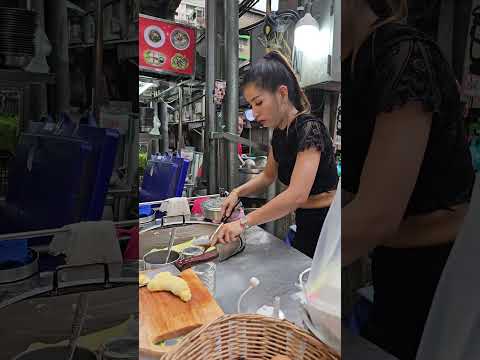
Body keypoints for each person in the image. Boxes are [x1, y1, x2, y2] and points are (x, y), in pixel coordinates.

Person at [341, 1, 475, 359]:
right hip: (394, 272)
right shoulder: (355, 66)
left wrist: (307, 270)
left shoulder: (403, 54)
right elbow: (354, 197)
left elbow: (376, 215)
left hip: (441, 276)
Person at [213, 50, 338, 258]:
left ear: (282, 93)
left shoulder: (309, 130)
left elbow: (297, 195)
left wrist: (243, 223)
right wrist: (237, 192)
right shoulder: (279, 134)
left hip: (328, 224)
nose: (255, 112)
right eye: (251, 105)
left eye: (259, 102)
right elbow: (267, 176)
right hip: (306, 219)